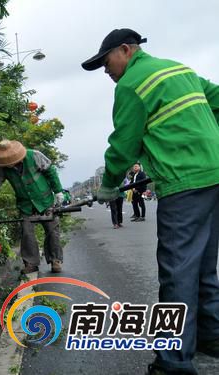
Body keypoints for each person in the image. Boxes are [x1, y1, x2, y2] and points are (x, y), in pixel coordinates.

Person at [82, 28, 219, 374]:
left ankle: (173, 362)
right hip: (214, 175)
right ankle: (213, 337)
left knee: (177, 272)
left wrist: (110, 185)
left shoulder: (131, 85)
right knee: (202, 265)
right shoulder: (179, 69)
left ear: (126, 50)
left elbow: (124, 145)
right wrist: (204, 139)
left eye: (106, 61)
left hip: (183, 184)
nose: (105, 71)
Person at [0, 140, 64, 274]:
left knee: (52, 231)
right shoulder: (3, 168)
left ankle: (55, 260)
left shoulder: (34, 156)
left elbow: (51, 171)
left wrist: (58, 191)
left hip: (45, 201)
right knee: (27, 233)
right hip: (26, 205)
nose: (9, 165)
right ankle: (31, 263)